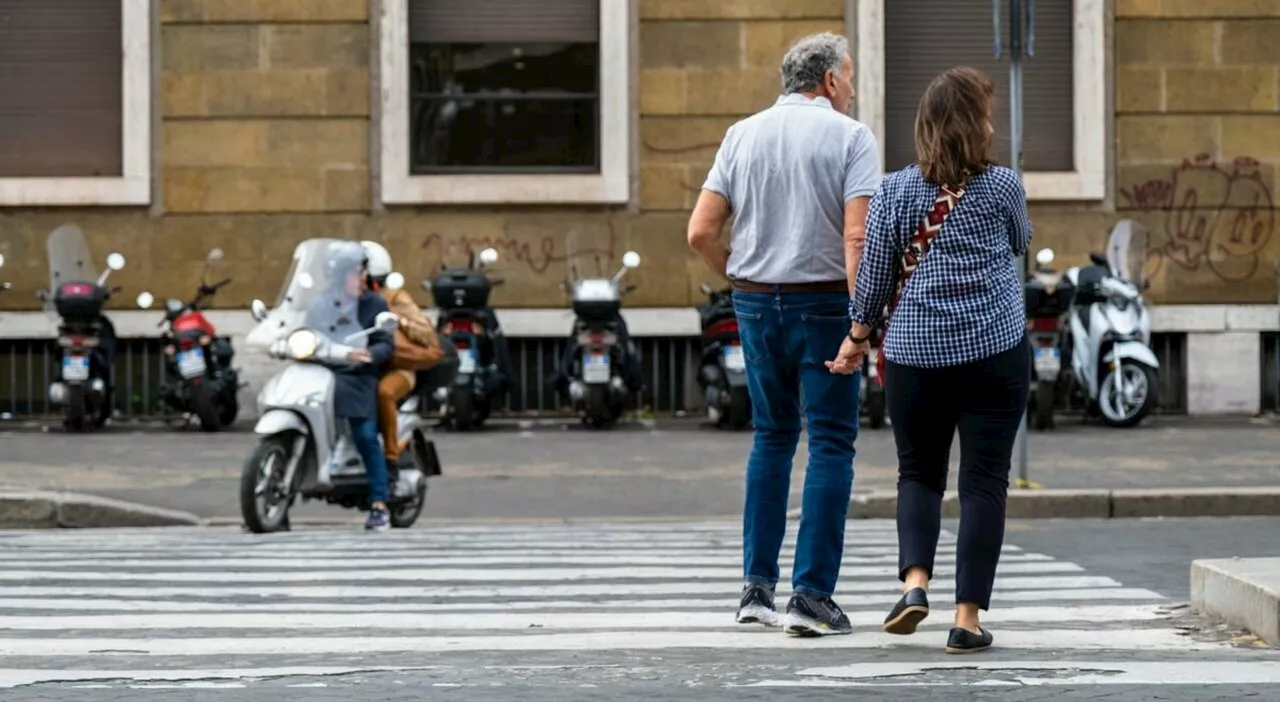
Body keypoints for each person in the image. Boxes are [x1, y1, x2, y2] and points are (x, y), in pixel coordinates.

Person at [828, 66, 1033, 654]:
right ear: (975, 126)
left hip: (916, 356)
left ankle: (915, 584)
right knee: (984, 482)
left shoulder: (893, 190)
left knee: (918, 472)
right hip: (995, 349)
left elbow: (873, 278)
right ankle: (966, 620)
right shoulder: (1003, 187)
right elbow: (1021, 240)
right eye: (987, 114)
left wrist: (856, 337)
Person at [686, 31, 881, 636]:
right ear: (828, 80)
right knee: (829, 442)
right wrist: (864, 319)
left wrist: (741, 279)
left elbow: (700, 232)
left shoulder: (742, 134)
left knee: (771, 438)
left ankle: (755, 589)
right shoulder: (851, 137)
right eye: (847, 76)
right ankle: (813, 596)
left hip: (754, 304)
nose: (850, 86)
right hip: (824, 303)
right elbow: (856, 238)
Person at [305, 241, 395, 532]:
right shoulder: (320, 304)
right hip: (325, 372)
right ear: (337, 276)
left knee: (365, 433)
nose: (361, 278)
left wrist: (371, 355)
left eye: (361, 271)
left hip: (358, 375)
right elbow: (308, 333)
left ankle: (380, 503)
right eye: (354, 272)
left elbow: (385, 343)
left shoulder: (375, 304)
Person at [360, 241, 443, 477]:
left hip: (397, 366)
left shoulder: (395, 298)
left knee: (384, 392)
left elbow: (425, 332)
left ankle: (390, 457)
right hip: (360, 364)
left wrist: (398, 319)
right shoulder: (346, 298)